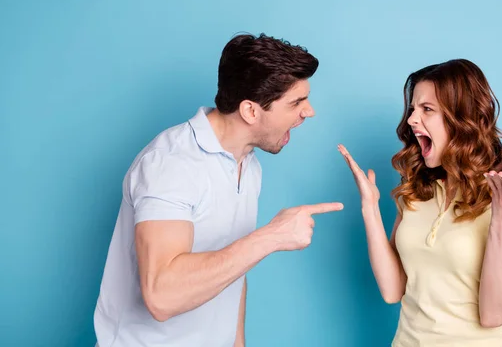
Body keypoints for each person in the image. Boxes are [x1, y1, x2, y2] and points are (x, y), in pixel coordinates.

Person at [93, 33, 344, 347]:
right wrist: (272, 235)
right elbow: (161, 296)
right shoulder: (171, 164)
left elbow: (231, 270)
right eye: (296, 102)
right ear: (251, 111)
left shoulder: (248, 164)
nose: (309, 112)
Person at [338, 59, 502, 346]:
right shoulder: (416, 188)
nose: (412, 120)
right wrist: (370, 208)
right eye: (413, 109)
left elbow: (493, 315)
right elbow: (393, 290)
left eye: (427, 109)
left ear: (462, 119)